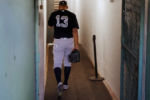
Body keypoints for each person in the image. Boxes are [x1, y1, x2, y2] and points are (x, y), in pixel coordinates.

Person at [48, 0, 79, 96]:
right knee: (67, 62)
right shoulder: (72, 15)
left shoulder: (54, 14)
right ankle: (65, 83)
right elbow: (75, 31)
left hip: (58, 41)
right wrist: (76, 45)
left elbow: (49, 26)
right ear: (67, 6)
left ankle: (59, 83)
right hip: (69, 41)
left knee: (57, 62)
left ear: (59, 7)